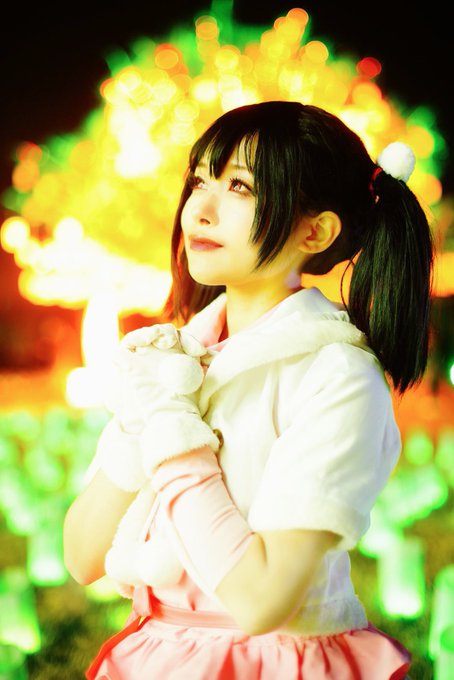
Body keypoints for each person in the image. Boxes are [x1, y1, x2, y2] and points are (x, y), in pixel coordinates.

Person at [63, 100, 433, 679]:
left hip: (274, 662)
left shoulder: (338, 376)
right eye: (199, 181)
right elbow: (83, 556)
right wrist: (148, 415)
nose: (200, 209)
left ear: (315, 230)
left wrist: (174, 436)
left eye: (240, 187)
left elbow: (261, 601)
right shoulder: (177, 359)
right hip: (155, 653)